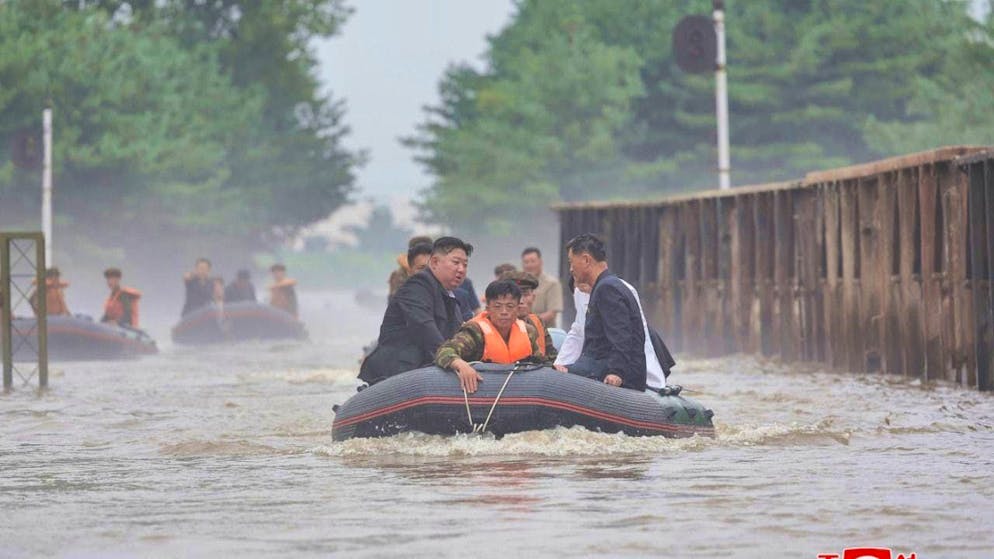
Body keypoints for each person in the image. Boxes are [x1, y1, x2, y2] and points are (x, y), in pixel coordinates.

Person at [359, 236, 473, 385]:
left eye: (465, 265)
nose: (461, 269)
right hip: (396, 373)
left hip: (427, 371)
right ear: (434, 262)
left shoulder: (449, 296)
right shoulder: (417, 286)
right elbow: (423, 326)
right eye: (456, 263)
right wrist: (452, 359)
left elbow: (458, 335)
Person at [556, 234, 646, 391]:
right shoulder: (605, 286)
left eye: (571, 262)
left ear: (586, 260)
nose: (570, 269)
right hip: (595, 365)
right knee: (557, 371)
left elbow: (622, 335)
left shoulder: (607, 288)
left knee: (556, 379)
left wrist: (616, 372)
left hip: (610, 372)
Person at [554, 275, 670, 391]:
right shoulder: (580, 293)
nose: (582, 291)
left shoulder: (617, 289)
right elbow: (578, 331)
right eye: (579, 288)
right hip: (602, 356)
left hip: (636, 348)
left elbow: (636, 334)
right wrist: (561, 363)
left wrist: (651, 379)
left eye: (583, 286)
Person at [436, 280, 545, 393]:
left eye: (510, 306)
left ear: (518, 309)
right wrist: (461, 365)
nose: (504, 312)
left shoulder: (528, 332)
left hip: (519, 391)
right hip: (481, 392)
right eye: (497, 306)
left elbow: (541, 364)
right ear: (488, 309)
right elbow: (444, 351)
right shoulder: (475, 331)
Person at [500, 270, 557, 360]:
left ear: (533, 297)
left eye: (525, 294)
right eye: (515, 296)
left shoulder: (538, 322)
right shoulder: (495, 325)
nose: (521, 301)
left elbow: (552, 357)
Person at [521, 247, 562, 328]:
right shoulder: (517, 283)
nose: (529, 265)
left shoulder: (552, 283)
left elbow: (551, 314)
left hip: (545, 331)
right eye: (526, 262)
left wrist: (528, 322)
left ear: (541, 262)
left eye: (533, 261)